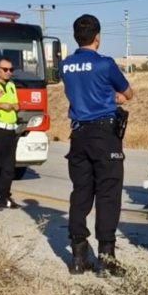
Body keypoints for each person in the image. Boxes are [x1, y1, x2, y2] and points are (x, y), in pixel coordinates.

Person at [60, 14, 135, 275]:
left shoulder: (66, 65)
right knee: (108, 194)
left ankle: (78, 254)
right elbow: (128, 93)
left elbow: (77, 93)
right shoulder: (105, 64)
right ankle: (106, 257)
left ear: (76, 37)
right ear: (98, 37)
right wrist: (112, 98)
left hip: (78, 134)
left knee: (81, 194)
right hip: (104, 134)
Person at [0, 57, 20, 210]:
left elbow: (15, 102)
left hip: (11, 129)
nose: (8, 72)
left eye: (11, 70)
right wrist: (0, 105)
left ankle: (4, 196)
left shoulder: (12, 85)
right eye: (5, 69)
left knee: (9, 167)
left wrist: (15, 106)